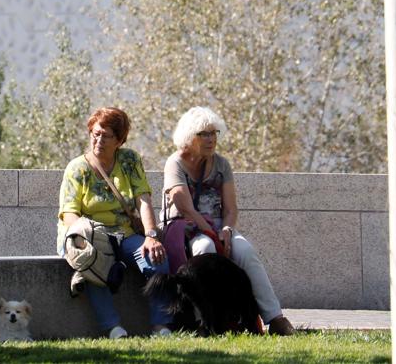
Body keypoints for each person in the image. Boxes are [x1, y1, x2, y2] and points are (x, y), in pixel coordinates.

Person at [162, 106, 296, 335]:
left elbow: (231, 209)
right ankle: (211, 321)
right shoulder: (175, 163)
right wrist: (211, 234)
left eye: (214, 133)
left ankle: (275, 318)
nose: (211, 139)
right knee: (205, 247)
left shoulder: (222, 165)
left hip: (217, 227)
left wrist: (225, 229)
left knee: (245, 250)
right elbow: (185, 208)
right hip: (187, 229)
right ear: (188, 137)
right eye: (204, 134)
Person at [58, 107, 172, 338]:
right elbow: (69, 213)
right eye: (95, 133)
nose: (98, 140)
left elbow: (143, 200)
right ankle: (113, 329)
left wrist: (151, 235)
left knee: (157, 259)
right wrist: (86, 239)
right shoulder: (77, 168)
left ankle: (162, 326)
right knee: (92, 262)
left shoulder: (129, 160)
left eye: (106, 135)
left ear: (119, 140)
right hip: (88, 236)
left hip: (125, 233)